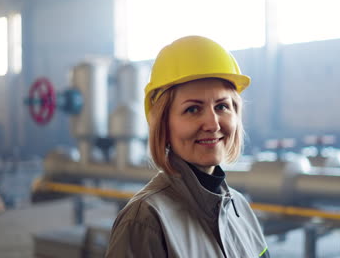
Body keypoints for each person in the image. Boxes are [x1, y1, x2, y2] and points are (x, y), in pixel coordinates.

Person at [105, 36, 270, 258]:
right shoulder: (145, 221)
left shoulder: (240, 208)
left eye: (222, 106)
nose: (213, 124)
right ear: (163, 124)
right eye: (193, 109)